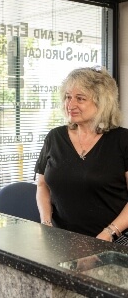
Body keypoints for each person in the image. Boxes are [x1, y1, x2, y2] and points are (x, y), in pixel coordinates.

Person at [35, 66, 128, 242]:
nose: (70, 105)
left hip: (113, 241)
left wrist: (108, 234)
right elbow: (42, 185)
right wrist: (46, 224)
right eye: (68, 97)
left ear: (102, 103)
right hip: (61, 240)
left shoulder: (123, 141)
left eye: (80, 98)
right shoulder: (55, 137)